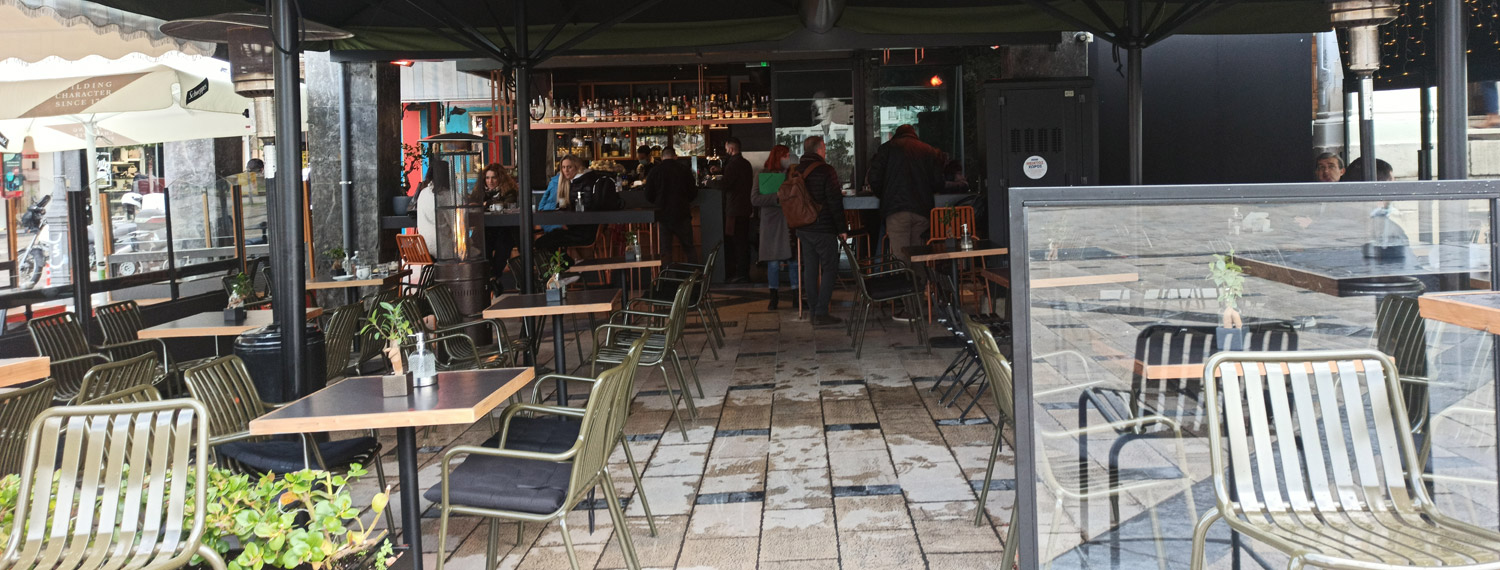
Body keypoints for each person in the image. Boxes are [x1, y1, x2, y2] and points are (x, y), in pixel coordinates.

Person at [867, 124, 942, 321]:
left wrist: (885, 194)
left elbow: (874, 177)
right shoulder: (928, 150)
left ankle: (910, 308)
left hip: (897, 211)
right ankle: (917, 304)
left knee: (902, 259)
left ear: (896, 135)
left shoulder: (887, 149)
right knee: (918, 257)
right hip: (922, 211)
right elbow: (938, 182)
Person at [795, 136, 847, 325]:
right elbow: (834, 201)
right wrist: (842, 228)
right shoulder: (826, 170)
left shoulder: (795, 171)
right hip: (823, 228)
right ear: (819, 149)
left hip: (803, 227)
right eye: (824, 148)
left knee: (810, 268)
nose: (825, 151)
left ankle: (813, 311)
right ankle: (821, 312)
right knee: (830, 268)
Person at [751, 145, 797, 309]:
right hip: (771, 222)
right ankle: (773, 296)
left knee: (793, 261)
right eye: (785, 155)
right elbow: (754, 199)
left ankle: (796, 295)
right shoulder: (762, 174)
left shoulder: (792, 174)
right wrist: (776, 197)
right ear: (778, 157)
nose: (787, 159)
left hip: (789, 221)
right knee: (773, 262)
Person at [535, 155, 600, 255]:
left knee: (542, 243)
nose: (566, 170)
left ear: (577, 167)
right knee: (545, 241)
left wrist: (567, 225)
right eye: (563, 167)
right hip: (575, 228)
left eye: (569, 167)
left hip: (582, 232)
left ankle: (566, 263)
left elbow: (584, 211)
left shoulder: (583, 182)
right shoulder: (575, 182)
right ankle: (563, 262)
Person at [645, 147, 699, 264]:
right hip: (682, 213)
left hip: (663, 214)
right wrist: (685, 201)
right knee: (689, 247)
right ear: (675, 156)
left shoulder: (655, 171)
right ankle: (695, 273)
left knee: (665, 250)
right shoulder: (684, 170)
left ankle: (667, 274)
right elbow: (693, 192)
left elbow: (648, 194)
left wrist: (658, 202)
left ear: (661, 157)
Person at [475, 164, 521, 290]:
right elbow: (473, 203)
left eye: (494, 177)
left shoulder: (509, 191)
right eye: (487, 178)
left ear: (500, 178)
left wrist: (487, 204)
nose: (490, 181)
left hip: (506, 229)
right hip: (488, 230)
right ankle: (491, 278)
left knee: (503, 244)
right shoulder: (480, 192)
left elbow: (507, 204)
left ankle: (493, 277)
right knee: (481, 243)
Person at [721, 137, 755, 284]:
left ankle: (739, 273)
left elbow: (725, 184)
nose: (725, 151)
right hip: (745, 207)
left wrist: (709, 182)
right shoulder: (746, 164)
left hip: (734, 209)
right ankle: (744, 272)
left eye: (726, 148)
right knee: (743, 241)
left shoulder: (733, 165)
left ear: (731, 148)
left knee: (736, 242)